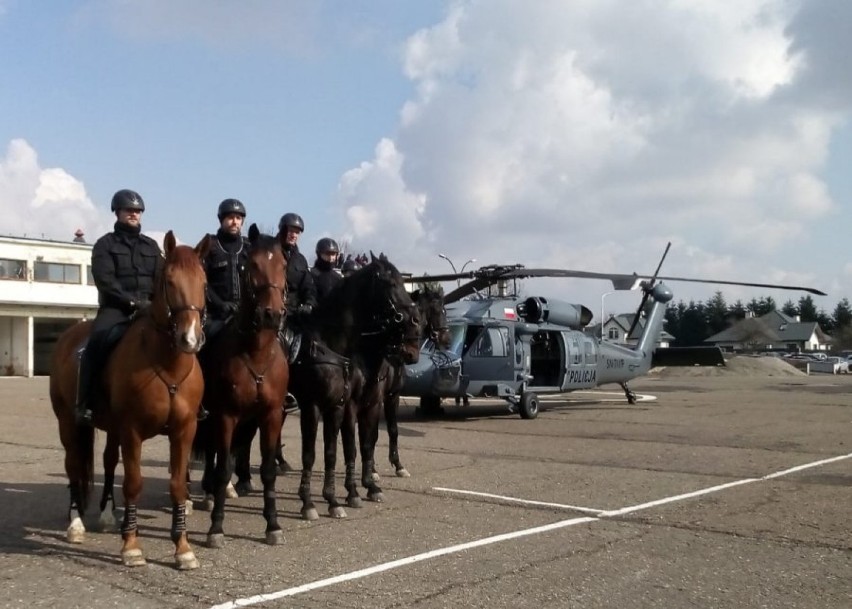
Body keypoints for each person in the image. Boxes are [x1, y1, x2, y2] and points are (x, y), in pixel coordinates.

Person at [76, 189, 163, 425]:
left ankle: (192, 402)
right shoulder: (104, 245)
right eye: (129, 210)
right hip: (116, 310)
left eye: (137, 211)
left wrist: (156, 304)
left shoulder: (152, 246)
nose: (134, 215)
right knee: (94, 345)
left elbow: (162, 278)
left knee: (182, 340)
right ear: (117, 212)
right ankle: (86, 404)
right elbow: (105, 281)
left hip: (149, 310)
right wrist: (133, 302)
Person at [203, 198, 249, 336]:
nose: (235, 222)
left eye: (238, 218)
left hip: (245, 314)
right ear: (221, 219)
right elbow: (201, 282)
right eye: (230, 218)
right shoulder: (210, 245)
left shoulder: (249, 247)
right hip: (215, 315)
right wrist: (220, 304)